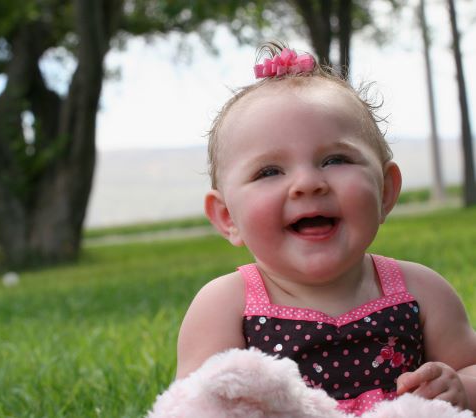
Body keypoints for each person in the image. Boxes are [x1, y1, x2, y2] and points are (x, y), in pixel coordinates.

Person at [176, 42, 476, 415]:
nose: (307, 183)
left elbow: (470, 367)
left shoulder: (421, 291)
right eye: (269, 171)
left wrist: (458, 386)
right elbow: (194, 404)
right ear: (227, 217)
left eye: (335, 159)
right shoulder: (225, 305)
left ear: (385, 191)